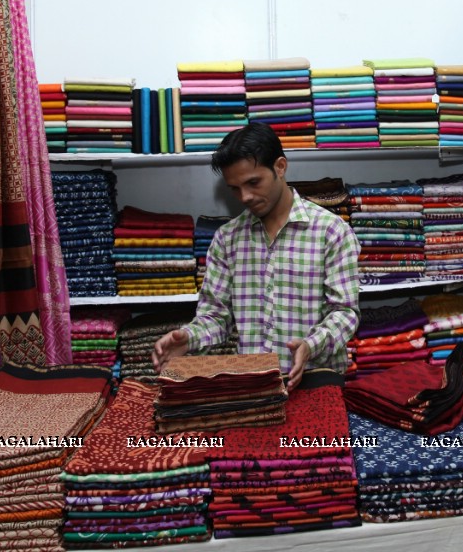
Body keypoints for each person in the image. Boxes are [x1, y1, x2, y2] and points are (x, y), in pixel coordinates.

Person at [151, 123, 360, 390]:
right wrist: (189, 337)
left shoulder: (331, 232)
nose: (245, 196)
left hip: (316, 380)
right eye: (234, 189)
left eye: (253, 182)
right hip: (253, 385)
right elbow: (216, 316)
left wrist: (311, 345)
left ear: (280, 167)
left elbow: (344, 312)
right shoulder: (227, 239)